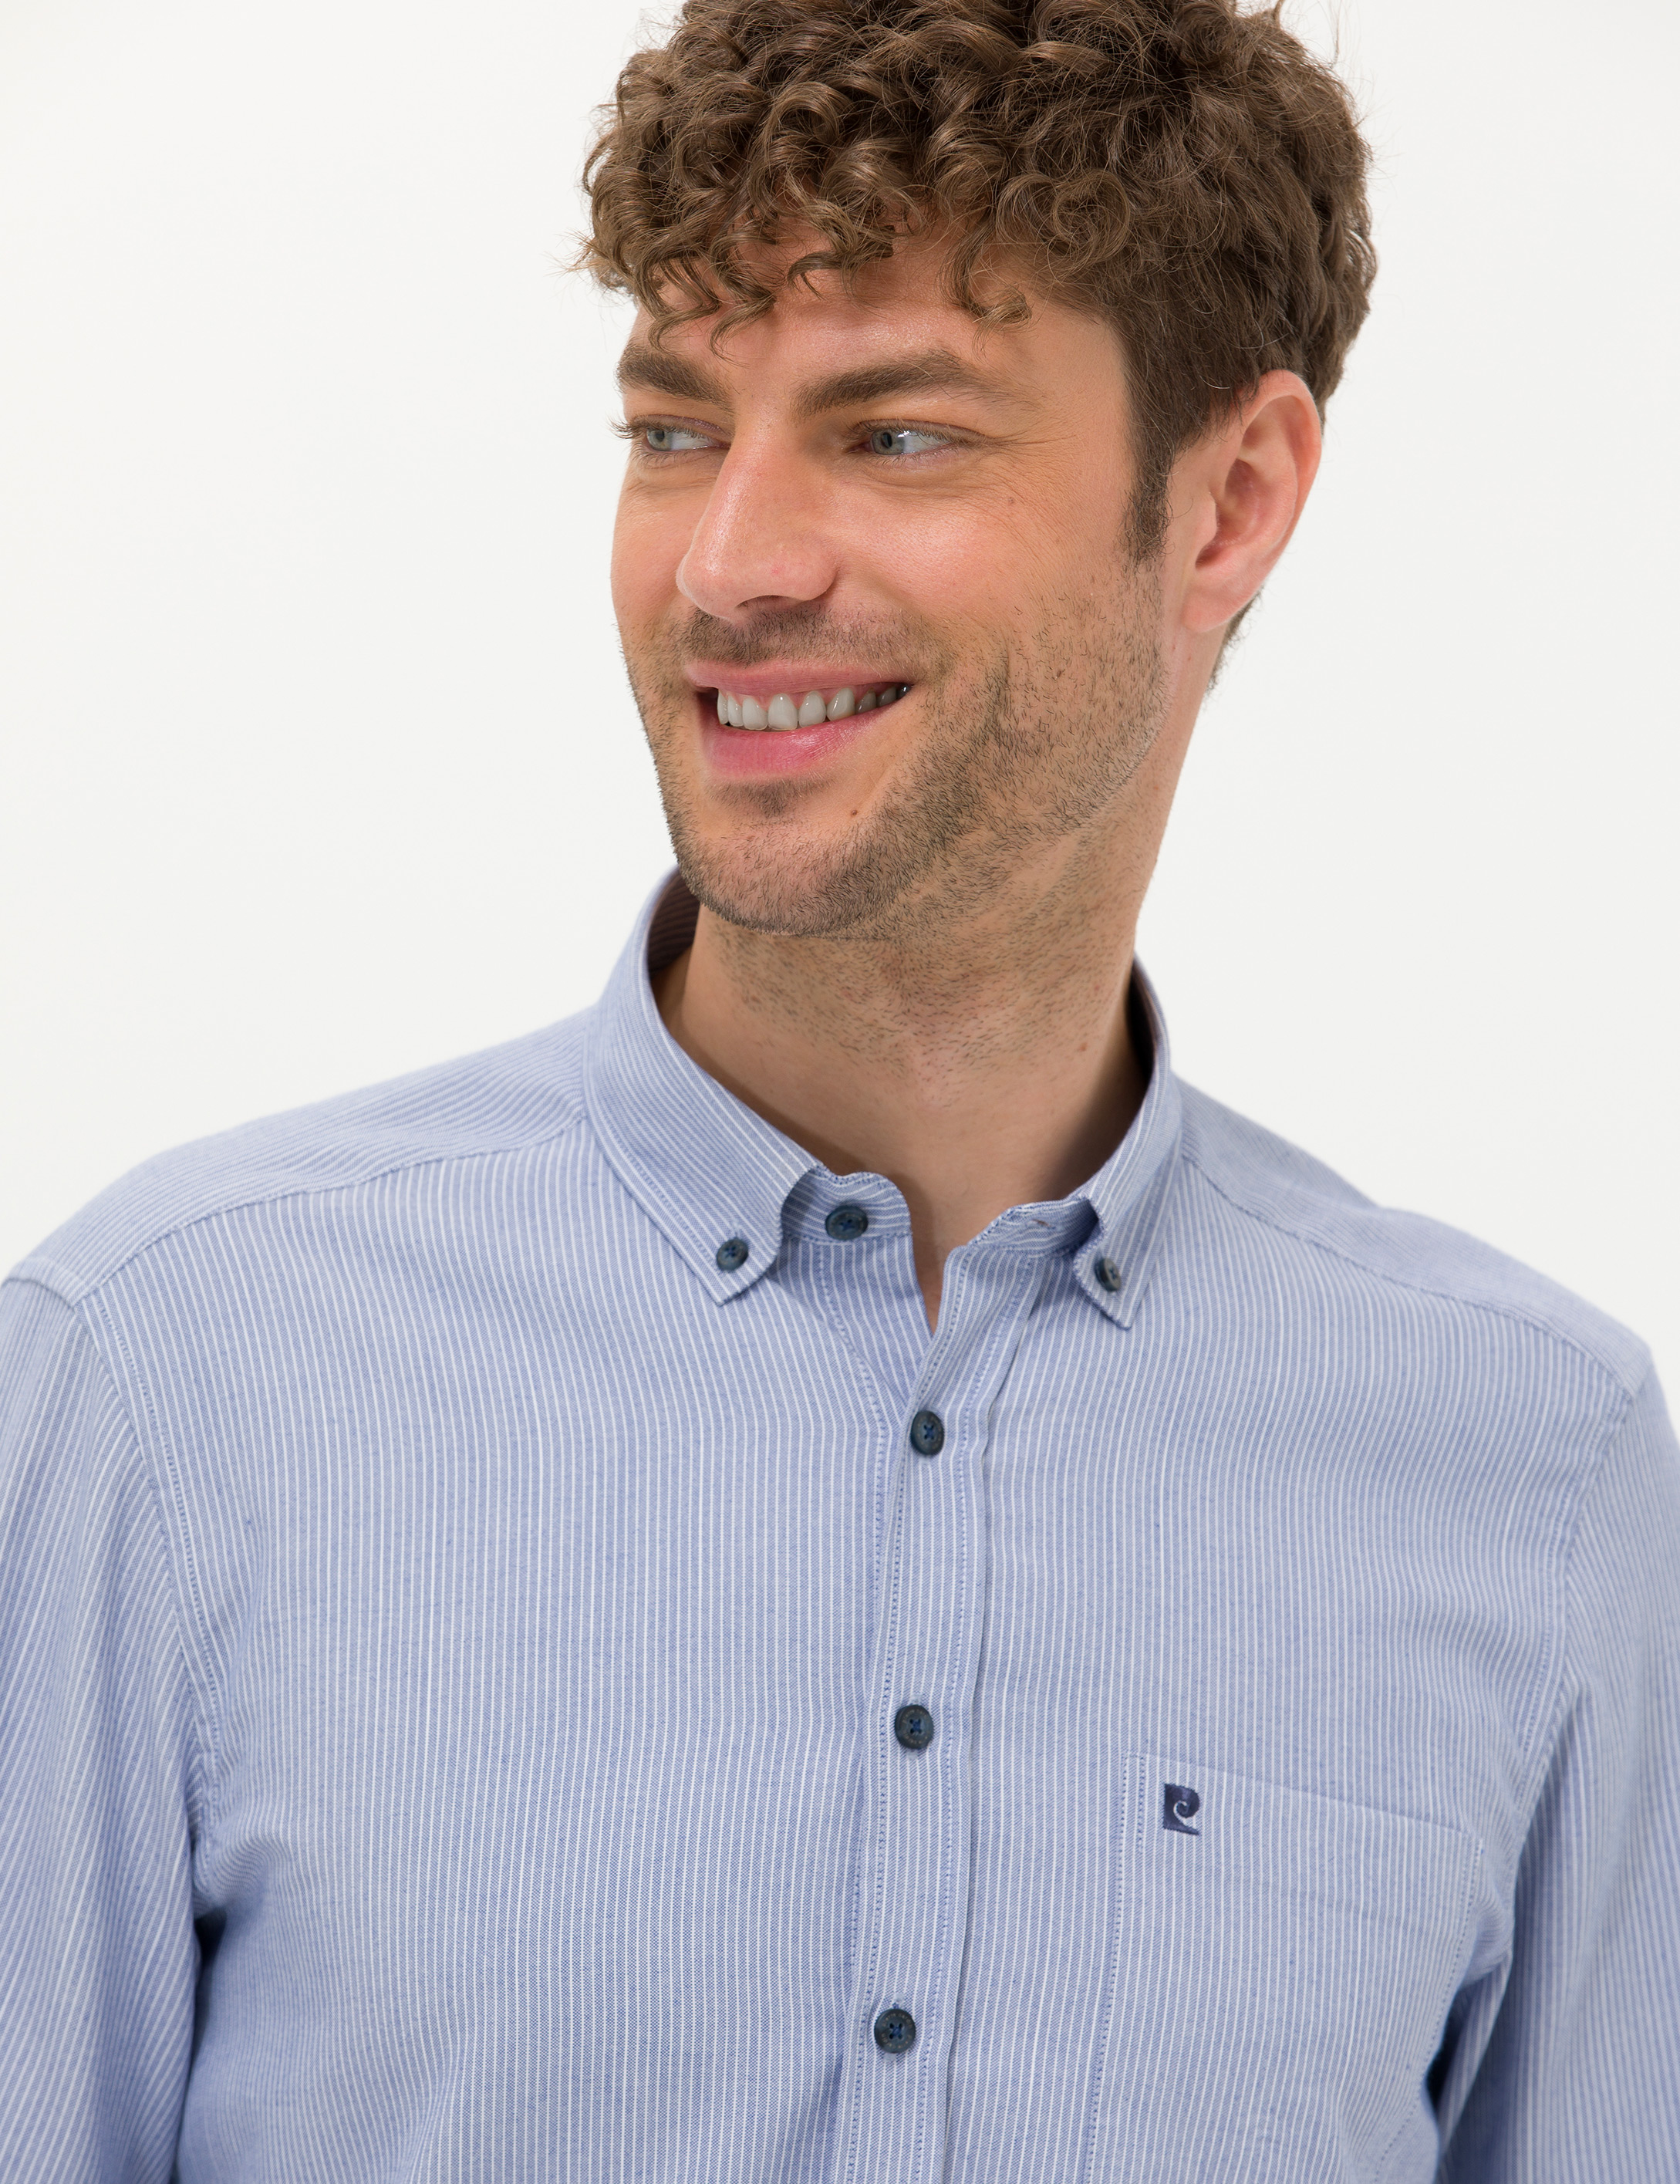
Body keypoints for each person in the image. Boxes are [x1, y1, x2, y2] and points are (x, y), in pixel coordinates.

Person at [2, 0, 1676, 2175]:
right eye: (675, 428)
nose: (728, 565)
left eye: (892, 434)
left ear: (1230, 504)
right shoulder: (166, 1375)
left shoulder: (1535, 1468)